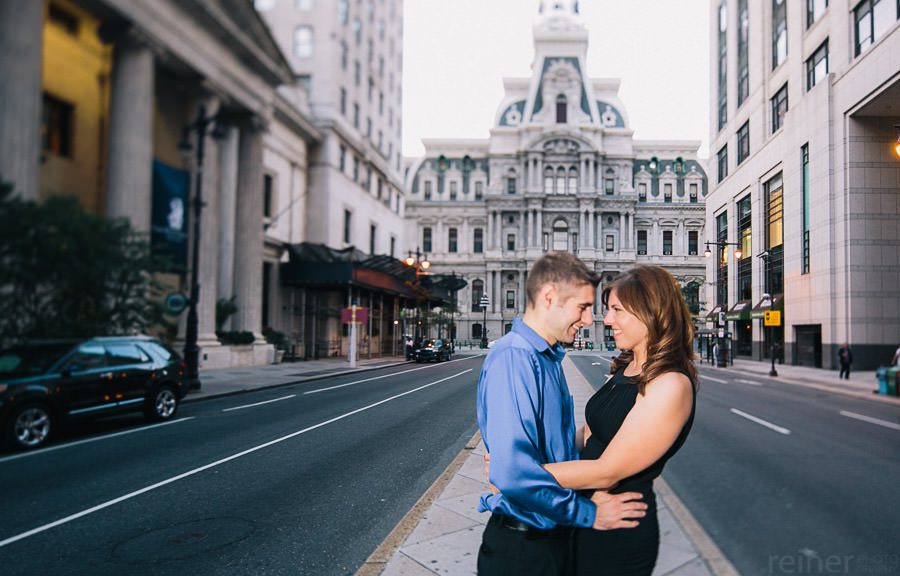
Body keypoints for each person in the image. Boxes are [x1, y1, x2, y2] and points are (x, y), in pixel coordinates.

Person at [477, 252, 647, 576]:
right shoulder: (514, 358)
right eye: (583, 307)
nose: (587, 319)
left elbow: (557, 447)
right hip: (523, 551)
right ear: (549, 297)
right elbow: (513, 474)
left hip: (551, 541)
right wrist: (589, 514)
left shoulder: (546, 358)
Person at [539, 265, 697, 576]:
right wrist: (536, 450)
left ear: (650, 311)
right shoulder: (629, 367)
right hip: (587, 512)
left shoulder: (670, 384)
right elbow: (592, 433)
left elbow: (606, 471)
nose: (607, 320)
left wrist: (519, 474)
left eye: (617, 310)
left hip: (617, 528)